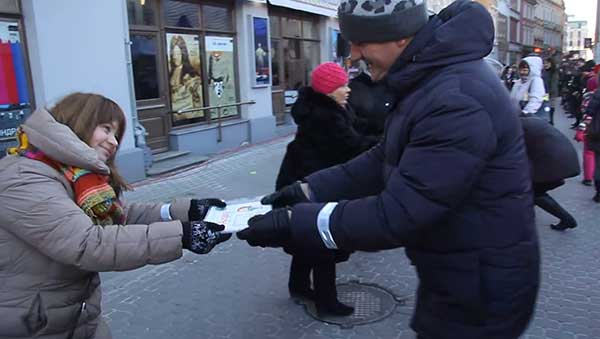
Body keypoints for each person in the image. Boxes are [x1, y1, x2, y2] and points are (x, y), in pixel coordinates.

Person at [238, 1, 540, 338]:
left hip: (481, 287)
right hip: (458, 270)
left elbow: (399, 213)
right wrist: (309, 189)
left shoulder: (455, 98)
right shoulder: (431, 79)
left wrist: (296, 223)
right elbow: (384, 156)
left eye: (361, 42)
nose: (353, 55)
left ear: (399, 37)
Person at [0, 93, 231, 338]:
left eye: (116, 135)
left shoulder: (74, 175)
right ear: (79, 121)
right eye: (106, 129)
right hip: (32, 324)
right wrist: (182, 235)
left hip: (72, 316)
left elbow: (118, 217)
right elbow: (87, 243)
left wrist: (182, 211)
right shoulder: (24, 177)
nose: (113, 142)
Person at [276, 62, 378, 316]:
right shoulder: (325, 117)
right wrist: (387, 141)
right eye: (342, 85)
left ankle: (298, 285)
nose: (348, 89)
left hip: (305, 183)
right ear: (329, 90)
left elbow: (354, 126)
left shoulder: (326, 109)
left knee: (305, 237)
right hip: (313, 186)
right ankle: (326, 301)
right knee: (324, 241)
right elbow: (352, 145)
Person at [521, 116, 580, 230]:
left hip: (555, 164)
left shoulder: (517, 126)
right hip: (564, 159)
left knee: (535, 193)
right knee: (531, 191)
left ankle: (567, 219)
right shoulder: (530, 120)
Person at [169, 35, 202, 115]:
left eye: (178, 54)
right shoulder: (171, 72)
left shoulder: (191, 74)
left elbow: (198, 100)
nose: (175, 57)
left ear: (183, 55)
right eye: (173, 54)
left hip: (187, 113)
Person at [510, 56, 549, 121]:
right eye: (520, 70)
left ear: (533, 69)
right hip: (518, 117)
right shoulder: (519, 82)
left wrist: (524, 114)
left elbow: (535, 100)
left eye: (525, 70)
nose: (522, 72)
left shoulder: (536, 80)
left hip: (529, 119)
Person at [584, 78, 600, 202]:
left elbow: (589, 111)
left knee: (598, 163)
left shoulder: (597, 94)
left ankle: (599, 192)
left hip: (597, 132)